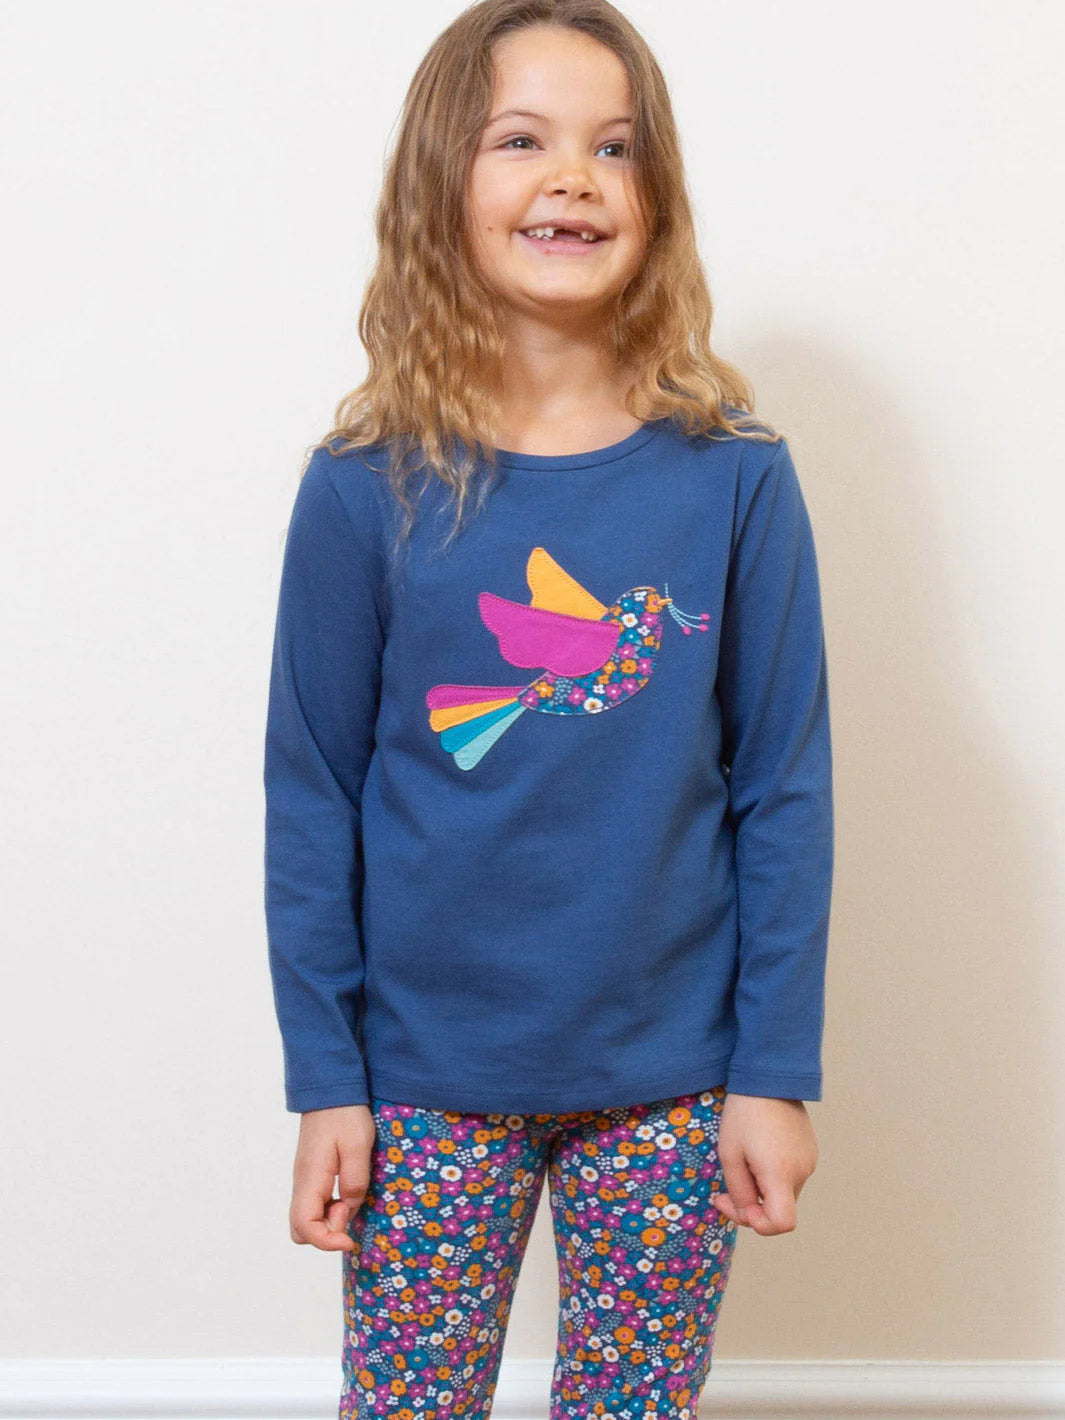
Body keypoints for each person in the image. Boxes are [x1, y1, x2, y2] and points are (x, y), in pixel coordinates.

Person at [262, 1, 834, 1416]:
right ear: (439, 182)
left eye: (614, 148)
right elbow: (312, 791)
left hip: (671, 1085)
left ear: (656, 196)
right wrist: (327, 1079)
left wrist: (771, 1071)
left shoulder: (736, 477)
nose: (574, 177)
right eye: (521, 140)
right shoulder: (365, 485)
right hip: (423, 1082)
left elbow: (782, 787)